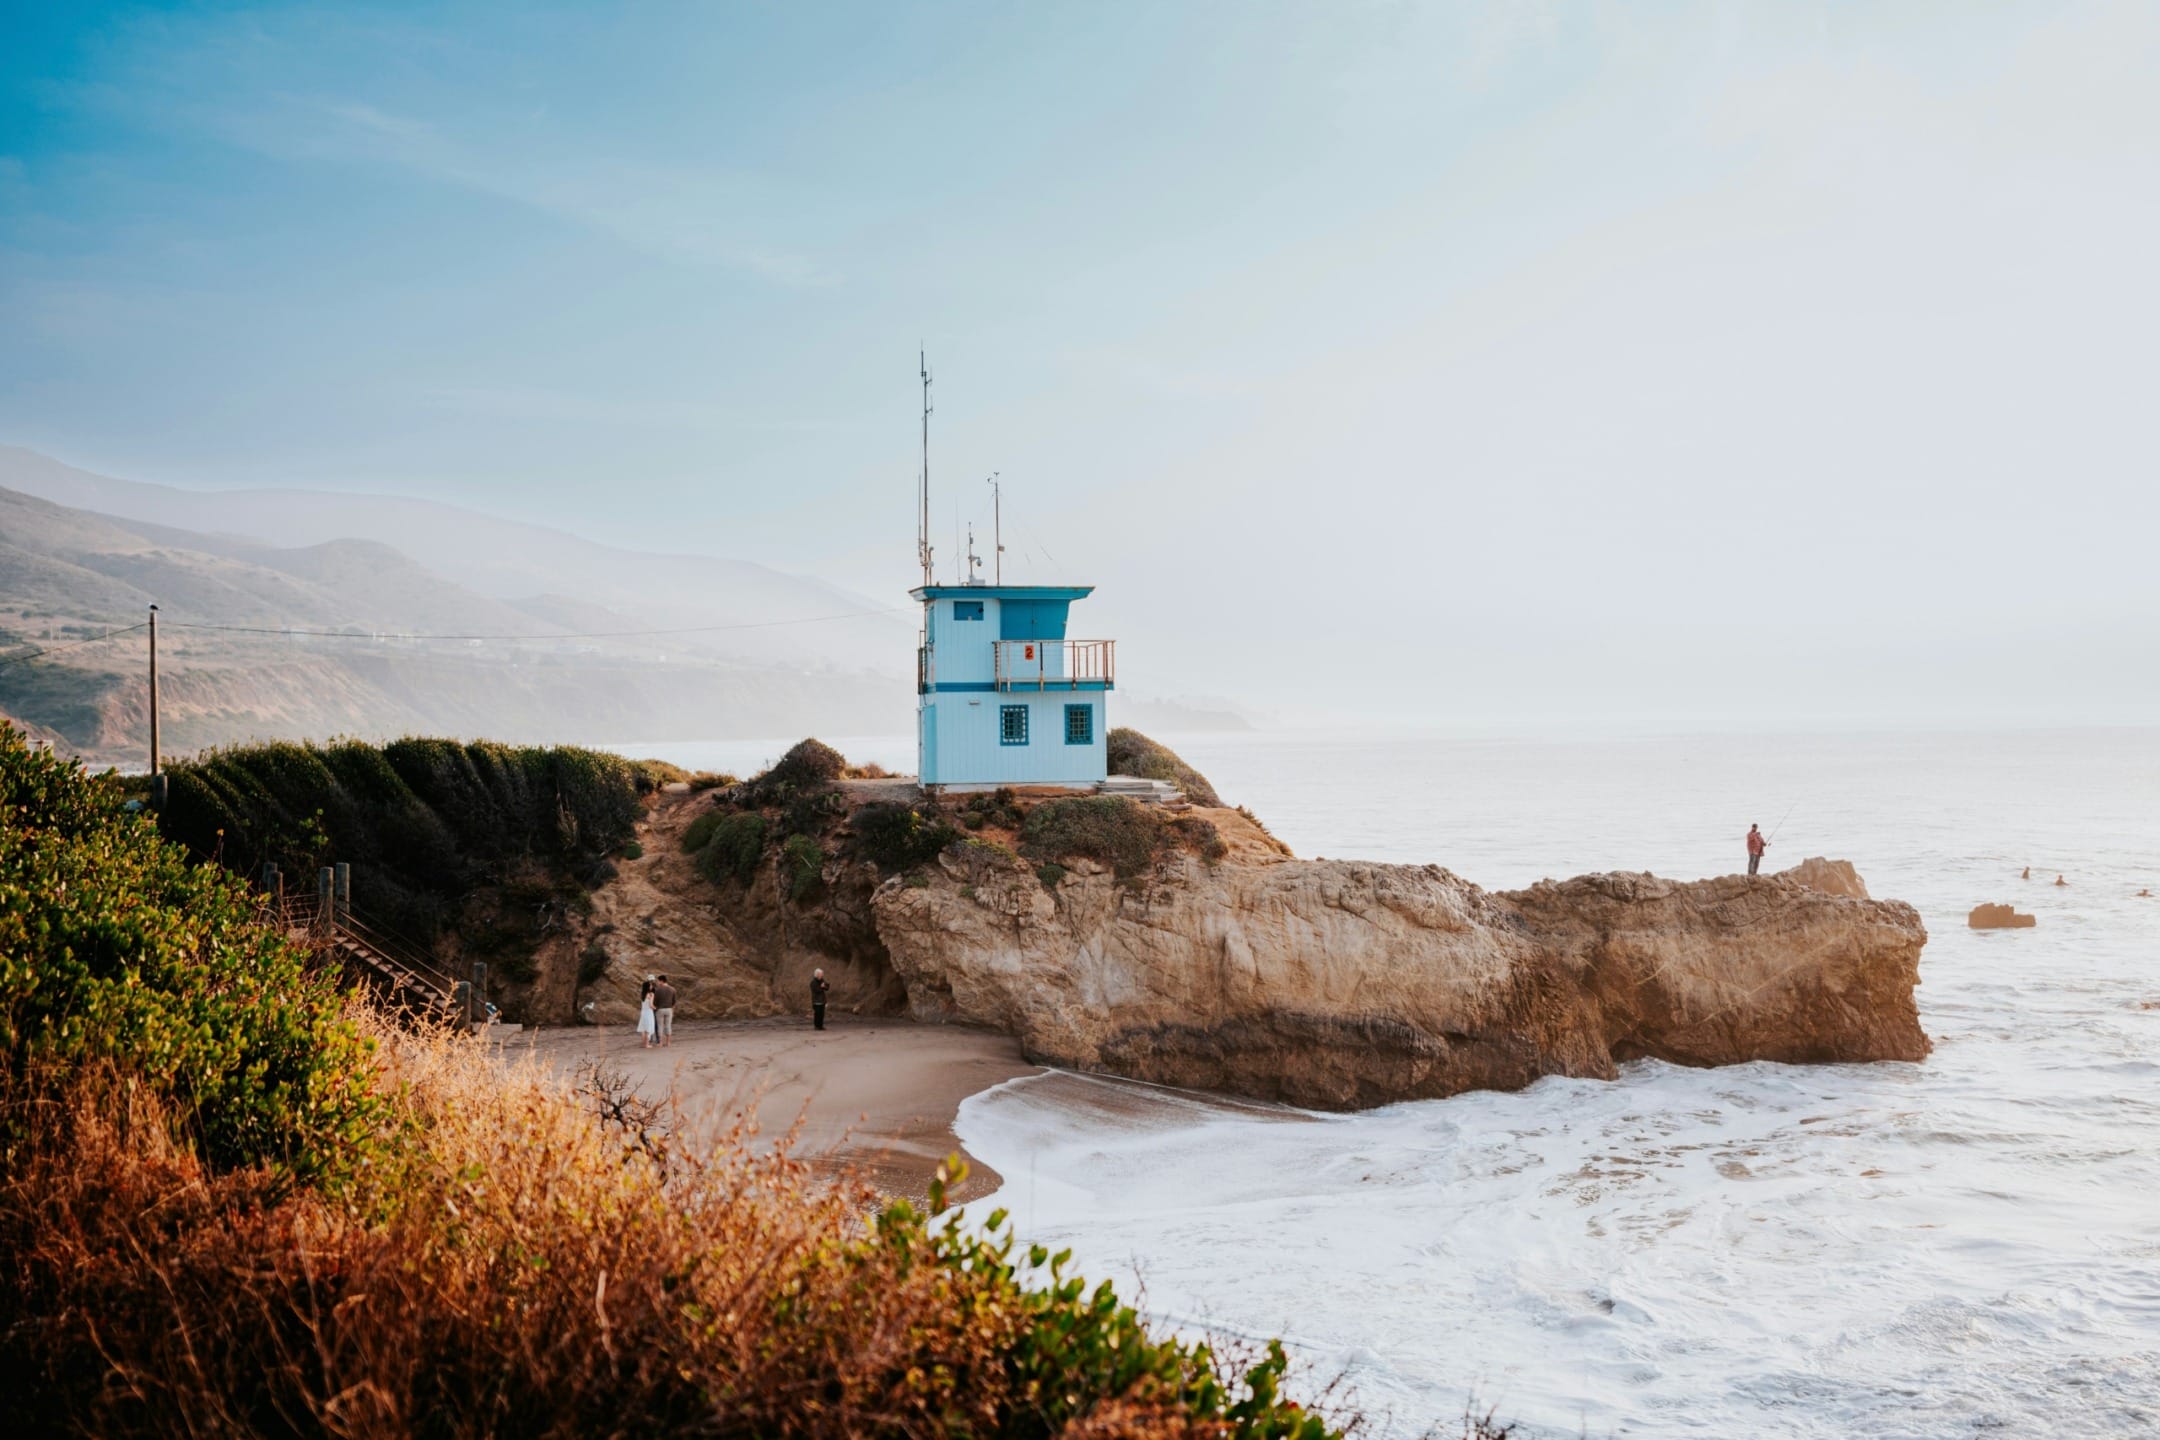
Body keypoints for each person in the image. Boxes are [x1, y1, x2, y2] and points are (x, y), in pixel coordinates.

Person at [652, 973, 677, 1047]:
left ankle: (660, 1043)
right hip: (669, 1009)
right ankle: (668, 1042)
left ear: (662, 981)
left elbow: (655, 1002)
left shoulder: (657, 990)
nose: (658, 983)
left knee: (660, 1026)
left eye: (658, 981)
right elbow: (674, 1001)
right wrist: (672, 1009)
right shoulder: (673, 989)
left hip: (660, 1010)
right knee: (668, 1026)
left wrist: (655, 1008)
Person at [636, 978, 657, 1049]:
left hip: (643, 1012)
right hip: (648, 1012)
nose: (651, 986)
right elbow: (651, 1005)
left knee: (643, 1028)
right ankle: (647, 1044)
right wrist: (655, 1008)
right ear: (648, 987)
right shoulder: (651, 994)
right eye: (650, 985)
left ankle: (643, 1044)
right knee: (648, 1028)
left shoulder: (642, 994)